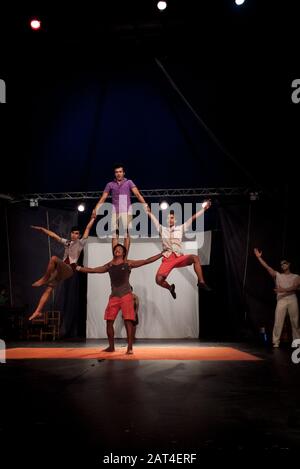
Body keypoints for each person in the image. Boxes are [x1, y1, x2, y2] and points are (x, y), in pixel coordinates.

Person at [76, 244, 162, 354]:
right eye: (116, 249)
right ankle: (111, 347)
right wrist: (78, 268)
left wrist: (161, 254)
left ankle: (130, 348)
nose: (117, 250)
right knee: (109, 321)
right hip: (114, 297)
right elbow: (93, 270)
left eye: (120, 249)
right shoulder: (110, 265)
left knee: (128, 321)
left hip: (126, 295)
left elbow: (146, 261)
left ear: (124, 253)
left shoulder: (128, 263)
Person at [29, 216, 96, 321]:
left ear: (79, 235)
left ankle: (44, 279)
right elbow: (53, 235)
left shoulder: (81, 242)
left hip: (70, 269)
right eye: (73, 233)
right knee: (48, 289)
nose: (74, 235)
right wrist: (42, 229)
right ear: (71, 233)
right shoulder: (67, 242)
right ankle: (37, 311)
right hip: (61, 271)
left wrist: (93, 218)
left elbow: (87, 228)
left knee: (54, 258)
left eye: (77, 233)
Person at [146, 201, 212, 299]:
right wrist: (148, 211)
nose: (170, 219)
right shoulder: (161, 229)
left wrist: (203, 209)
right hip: (168, 258)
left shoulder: (181, 228)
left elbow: (192, 218)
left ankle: (201, 282)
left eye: (172, 218)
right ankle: (170, 288)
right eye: (168, 218)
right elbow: (153, 218)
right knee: (158, 280)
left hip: (178, 257)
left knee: (195, 258)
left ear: (175, 220)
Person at [92, 163, 148, 255]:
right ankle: (115, 256)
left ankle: (125, 257)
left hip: (127, 211)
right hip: (115, 212)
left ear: (124, 173)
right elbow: (103, 197)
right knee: (115, 235)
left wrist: (145, 205)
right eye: (116, 172)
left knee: (126, 234)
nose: (118, 173)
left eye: (120, 172)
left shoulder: (129, 182)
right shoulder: (110, 184)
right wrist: (96, 208)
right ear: (114, 174)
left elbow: (137, 194)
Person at [254, 249, 300, 347]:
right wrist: (259, 257)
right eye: (282, 264)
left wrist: (283, 290)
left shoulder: (296, 276)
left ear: (289, 264)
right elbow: (267, 267)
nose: (283, 265)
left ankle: (297, 342)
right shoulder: (278, 275)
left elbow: (295, 287)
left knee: (295, 321)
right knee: (278, 321)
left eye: (285, 263)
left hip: (292, 299)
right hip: (281, 300)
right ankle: (276, 342)